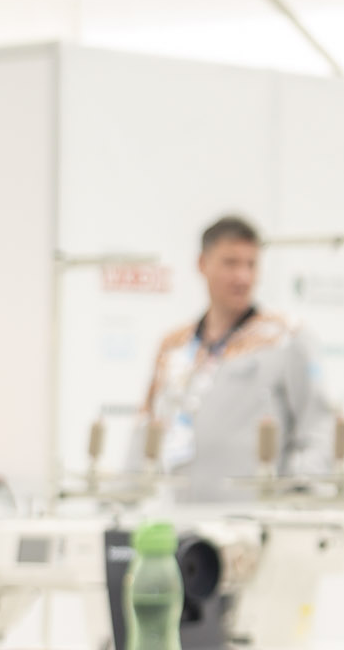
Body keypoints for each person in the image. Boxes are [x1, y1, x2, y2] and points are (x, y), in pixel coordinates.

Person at [138, 215, 325, 504]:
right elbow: (146, 429)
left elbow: (316, 429)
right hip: (179, 520)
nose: (243, 277)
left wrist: (299, 501)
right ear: (202, 264)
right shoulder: (174, 345)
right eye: (230, 263)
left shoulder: (285, 339)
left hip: (253, 525)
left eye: (251, 264)